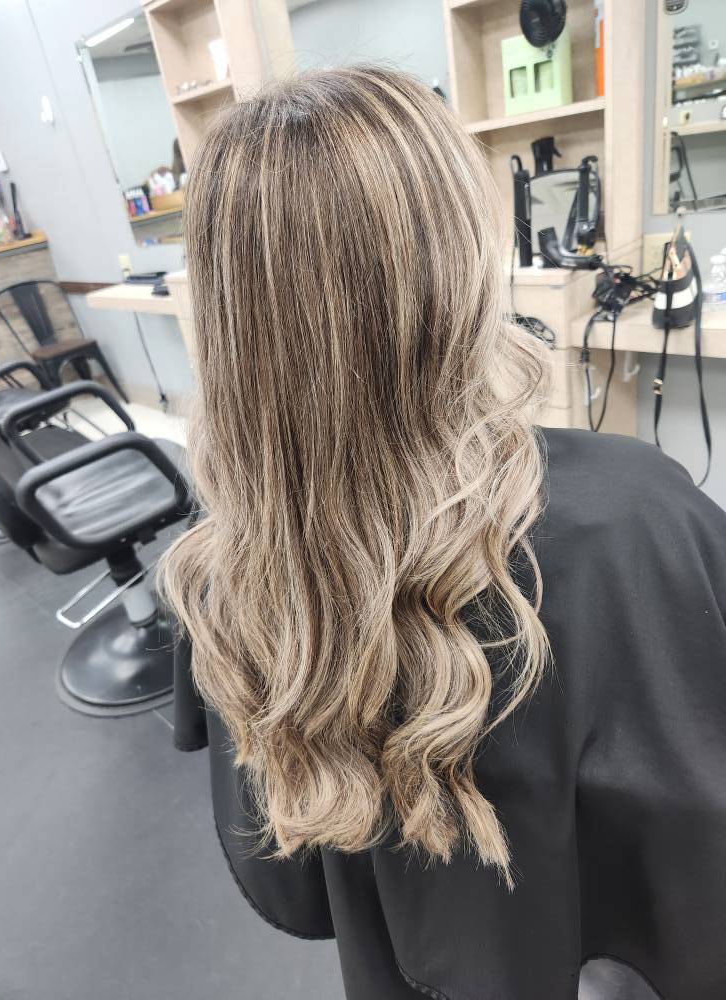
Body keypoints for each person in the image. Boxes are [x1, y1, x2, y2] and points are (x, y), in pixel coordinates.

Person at [163, 67, 726, 1000]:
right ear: (459, 264)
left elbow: (289, 890)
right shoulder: (639, 515)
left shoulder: (226, 567)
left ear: (228, 315)